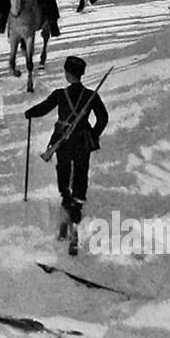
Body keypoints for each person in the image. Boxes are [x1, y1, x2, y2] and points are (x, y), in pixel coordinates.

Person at [24, 55, 108, 232]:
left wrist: (29, 113)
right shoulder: (91, 95)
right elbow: (103, 118)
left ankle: (65, 195)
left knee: (63, 167)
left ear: (68, 74)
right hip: (82, 140)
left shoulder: (60, 94)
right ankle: (77, 202)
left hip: (62, 138)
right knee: (81, 168)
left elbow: (44, 108)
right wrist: (92, 134)